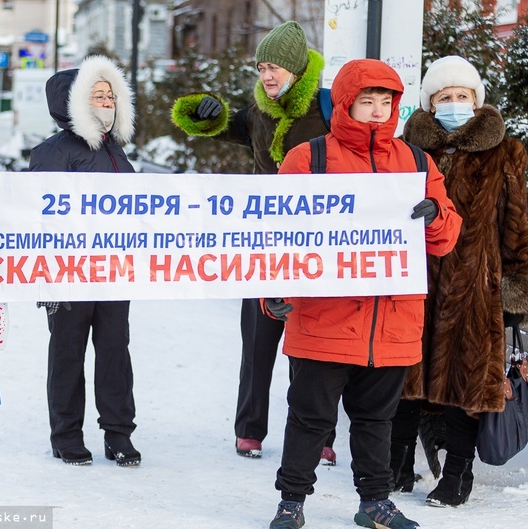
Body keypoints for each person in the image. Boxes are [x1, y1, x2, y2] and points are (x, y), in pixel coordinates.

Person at [264, 59, 462, 529]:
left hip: (392, 321)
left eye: (385, 103)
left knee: (377, 422)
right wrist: (270, 293)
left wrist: (434, 213)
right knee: (309, 420)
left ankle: (374, 502)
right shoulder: (307, 160)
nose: (377, 112)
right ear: (346, 104)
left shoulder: (417, 162)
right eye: (366, 102)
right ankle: (291, 502)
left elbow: (447, 237)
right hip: (322, 319)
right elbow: (273, 237)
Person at [171, 20, 335, 462]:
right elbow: (221, 125)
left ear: (298, 70)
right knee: (259, 338)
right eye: (262, 66)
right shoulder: (260, 112)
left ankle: (319, 436)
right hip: (263, 243)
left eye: (276, 67)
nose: (267, 74)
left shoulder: (327, 110)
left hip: (319, 242)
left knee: (314, 343)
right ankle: (250, 429)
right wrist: (204, 111)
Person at [390, 55, 528, 507]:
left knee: (466, 386)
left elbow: (517, 225)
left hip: (475, 290)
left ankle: (458, 474)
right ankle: (398, 463)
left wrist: (518, 283)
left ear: (476, 102)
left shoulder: (504, 154)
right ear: (430, 104)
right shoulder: (410, 151)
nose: (455, 103)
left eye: (463, 96)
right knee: (405, 378)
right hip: (416, 284)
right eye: (445, 97)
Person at [28, 55, 140, 467]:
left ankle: (118, 434)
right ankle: (66, 434)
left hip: (114, 273)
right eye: (97, 94)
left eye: (111, 94)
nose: (107, 102)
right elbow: (38, 214)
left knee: (115, 352)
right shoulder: (52, 152)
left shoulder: (117, 152)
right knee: (67, 353)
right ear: (74, 102)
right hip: (67, 275)